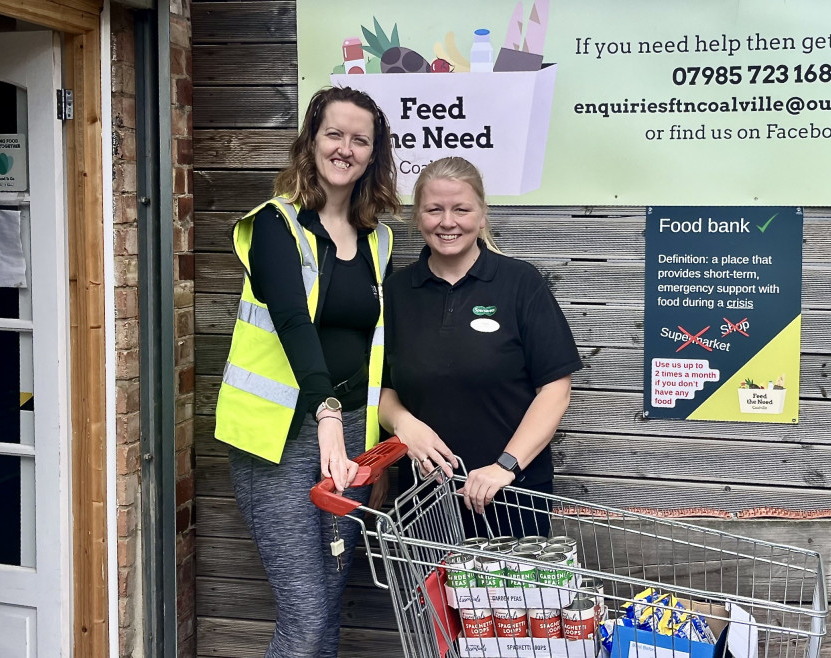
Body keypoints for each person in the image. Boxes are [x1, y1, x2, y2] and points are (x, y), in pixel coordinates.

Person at [213, 86, 398, 657]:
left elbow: (369, 344)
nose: (345, 148)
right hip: (277, 438)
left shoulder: (379, 239)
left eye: (359, 140)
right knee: (306, 616)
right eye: (334, 134)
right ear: (310, 141)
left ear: (374, 155)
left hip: (348, 443)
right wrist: (326, 415)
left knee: (330, 601)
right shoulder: (275, 225)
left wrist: (373, 436)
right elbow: (293, 321)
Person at [379, 156, 582, 538]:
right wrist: (404, 425)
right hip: (426, 500)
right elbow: (382, 389)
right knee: (428, 600)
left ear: (482, 214)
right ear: (417, 217)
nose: (448, 221)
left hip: (511, 497)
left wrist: (505, 466)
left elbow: (556, 389)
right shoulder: (396, 294)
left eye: (461, 209)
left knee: (514, 600)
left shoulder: (520, 283)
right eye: (434, 209)